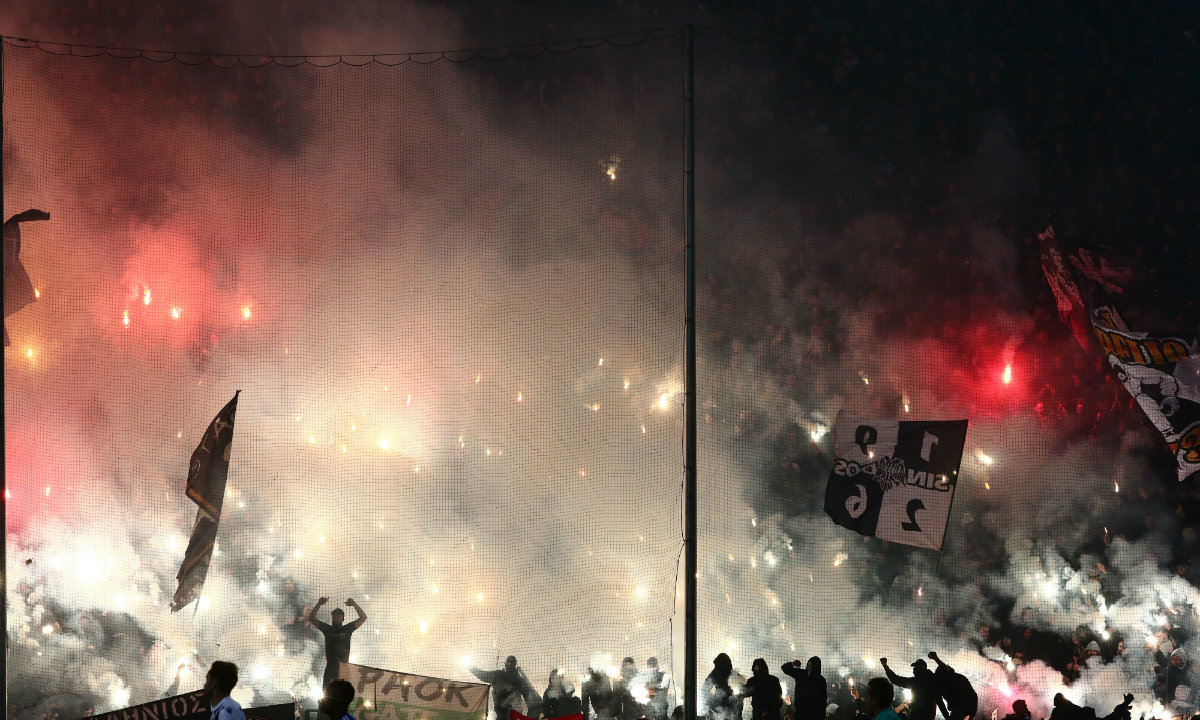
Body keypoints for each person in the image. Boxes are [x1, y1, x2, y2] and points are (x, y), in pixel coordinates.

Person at [309, 597, 368, 688]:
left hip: (343, 670)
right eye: (334, 616)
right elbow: (312, 618)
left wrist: (354, 604)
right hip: (330, 669)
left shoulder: (347, 629)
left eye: (338, 616)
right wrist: (318, 604)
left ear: (342, 619)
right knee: (326, 696)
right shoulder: (328, 629)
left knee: (341, 696)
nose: (335, 618)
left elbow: (363, 617)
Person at [470, 656, 541, 720]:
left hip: (510, 713)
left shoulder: (501, 676)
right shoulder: (513, 678)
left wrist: (470, 667)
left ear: (506, 663)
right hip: (509, 713)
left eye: (510, 663)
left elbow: (483, 675)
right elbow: (529, 695)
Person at [926, 652, 977, 720]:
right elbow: (974, 695)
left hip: (958, 708)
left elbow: (940, 702)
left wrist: (947, 716)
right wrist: (972, 714)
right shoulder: (958, 677)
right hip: (966, 707)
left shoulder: (939, 683)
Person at [700, 653, 745, 720]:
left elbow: (741, 688)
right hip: (721, 701)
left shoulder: (730, 673)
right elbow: (705, 687)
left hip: (729, 701)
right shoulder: (716, 672)